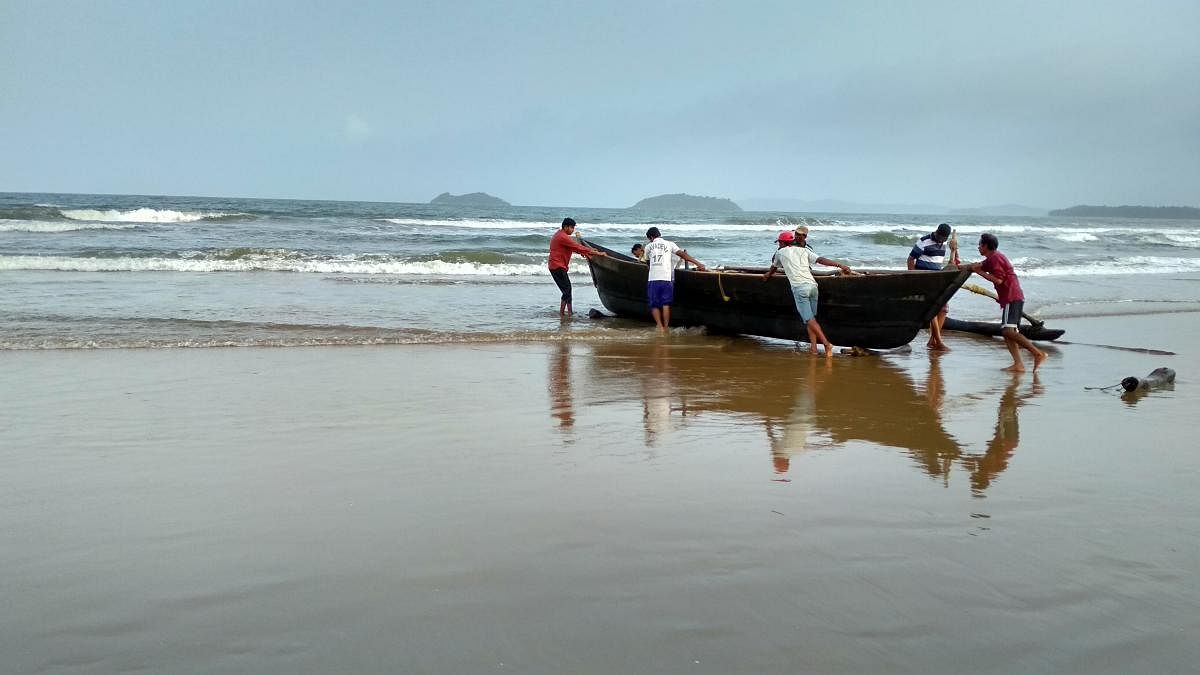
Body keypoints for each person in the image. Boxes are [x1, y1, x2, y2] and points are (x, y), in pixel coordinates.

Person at [762, 227, 851, 356]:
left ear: (781, 243)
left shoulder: (779, 253)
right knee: (811, 319)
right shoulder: (804, 251)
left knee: (809, 319)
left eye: (779, 243)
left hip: (800, 288)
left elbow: (773, 268)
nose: (779, 245)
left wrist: (766, 276)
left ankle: (827, 344)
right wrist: (840, 265)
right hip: (813, 286)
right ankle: (813, 348)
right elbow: (821, 260)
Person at [967, 233, 1047, 372]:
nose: (978, 247)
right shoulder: (991, 258)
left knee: (1007, 331)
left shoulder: (996, 258)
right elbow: (976, 266)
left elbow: (998, 280)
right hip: (1011, 297)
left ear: (986, 246)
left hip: (1012, 296)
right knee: (1008, 331)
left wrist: (979, 272)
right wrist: (957, 266)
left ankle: (1038, 353)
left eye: (980, 244)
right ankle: (1018, 364)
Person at [907, 223, 959, 351]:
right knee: (933, 309)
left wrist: (955, 250)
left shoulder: (946, 243)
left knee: (944, 308)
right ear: (936, 232)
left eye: (943, 238)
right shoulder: (924, 241)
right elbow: (910, 259)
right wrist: (913, 278)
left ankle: (932, 340)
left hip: (937, 280)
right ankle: (939, 341)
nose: (941, 240)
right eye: (939, 237)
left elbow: (954, 262)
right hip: (923, 279)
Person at [644, 227, 705, 332]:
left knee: (654, 304)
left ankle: (660, 326)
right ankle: (666, 327)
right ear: (659, 235)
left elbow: (648, 263)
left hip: (653, 279)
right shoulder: (670, 244)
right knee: (665, 304)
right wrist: (698, 264)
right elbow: (683, 255)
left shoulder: (648, 247)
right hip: (666, 279)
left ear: (651, 237)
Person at [548, 217, 605, 317]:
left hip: (555, 266)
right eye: (572, 228)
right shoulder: (563, 237)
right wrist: (596, 253)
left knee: (567, 290)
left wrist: (584, 252)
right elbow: (576, 246)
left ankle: (569, 312)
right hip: (557, 266)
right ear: (566, 227)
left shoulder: (560, 235)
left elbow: (573, 248)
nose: (573, 230)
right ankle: (562, 313)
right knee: (567, 290)